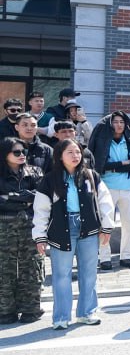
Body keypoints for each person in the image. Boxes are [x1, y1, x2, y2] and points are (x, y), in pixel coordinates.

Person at [32, 139, 114, 330]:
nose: (75, 156)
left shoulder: (91, 176)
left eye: (77, 152)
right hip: (61, 230)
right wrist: (40, 236)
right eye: (70, 152)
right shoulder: (50, 179)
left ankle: (87, 312)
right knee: (61, 275)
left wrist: (107, 227)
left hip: (89, 229)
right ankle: (61, 317)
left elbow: (105, 202)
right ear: (60, 155)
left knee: (89, 273)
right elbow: (41, 210)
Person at [89, 110, 130, 271]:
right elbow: (101, 165)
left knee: (129, 225)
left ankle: (125, 256)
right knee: (106, 224)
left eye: (122, 122)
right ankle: (104, 258)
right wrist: (122, 164)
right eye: (115, 122)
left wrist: (116, 165)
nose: (119, 125)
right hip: (107, 187)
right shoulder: (103, 142)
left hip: (128, 187)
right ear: (109, 124)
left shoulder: (129, 141)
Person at [0, 137, 45, 324]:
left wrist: (10, 198)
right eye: (16, 152)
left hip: (31, 226)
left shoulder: (35, 172)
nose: (21, 155)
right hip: (4, 227)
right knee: (4, 268)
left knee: (32, 267)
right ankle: (5, 311)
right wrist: (23, 199)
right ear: (5, 155)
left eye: (23, 152)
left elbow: (42, 197)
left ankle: (31, 309)